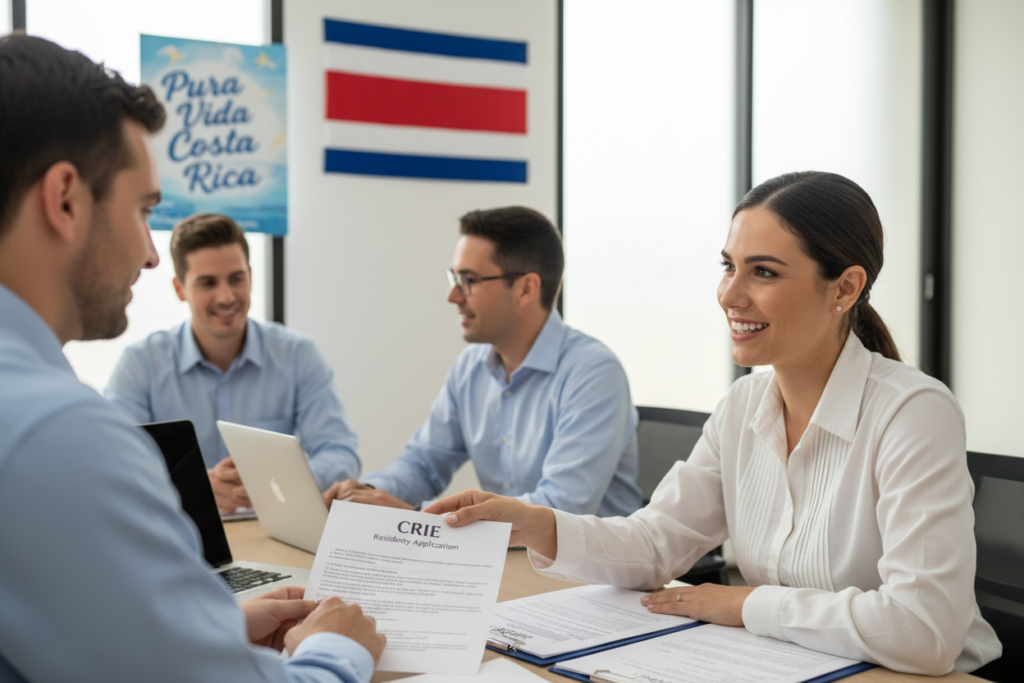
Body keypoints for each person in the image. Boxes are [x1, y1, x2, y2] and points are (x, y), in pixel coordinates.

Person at [426, 172, 1002, 676]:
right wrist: (538, 525)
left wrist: (744, 605)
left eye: (764, 272)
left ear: (845, 288)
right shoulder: (742, 407)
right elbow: (655, 543)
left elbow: (924, 630)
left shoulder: (912, 412)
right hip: (787, 664)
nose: (729, 293)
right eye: (728, 266)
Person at [0, 35, 383, 682]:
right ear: (65, 199)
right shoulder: (56, 432)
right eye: (143, 209)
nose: (149, 254)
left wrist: (211, 623)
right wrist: (338, 648)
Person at [325, 206, 643, 517]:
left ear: (526, 288)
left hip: (584, 568)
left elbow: (561, 508)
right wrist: (365, 494)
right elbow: (423, 464)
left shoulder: (593, 374)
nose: (454, 297)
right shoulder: (470, 368)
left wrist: (412, 515)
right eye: (455, 278)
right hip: (504, 557)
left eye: (470, 280)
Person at [105, 212, 361, 513]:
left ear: (251, 277)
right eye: (208, 283)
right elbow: (115, 465)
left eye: (236, 279)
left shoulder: (297, 355)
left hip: (273, 532)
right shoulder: (141, 364)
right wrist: (192, 485)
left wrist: (275, 483)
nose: (226, 297)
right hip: (181, 531)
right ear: (180, 289)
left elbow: (340, 453)